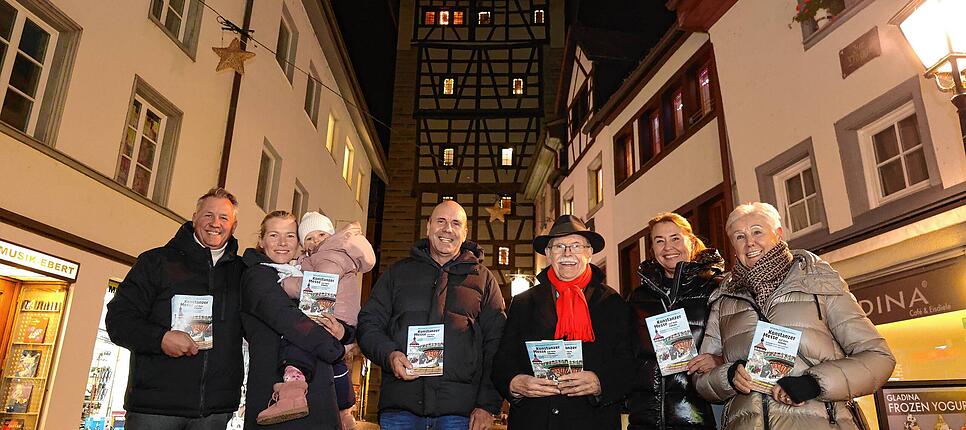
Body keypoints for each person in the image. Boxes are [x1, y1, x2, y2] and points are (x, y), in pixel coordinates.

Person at [694, 202, 896, 429]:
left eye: (757, 232)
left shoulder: (818, 283)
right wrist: (729, 376)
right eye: (739, 237)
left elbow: (879, 358)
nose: (750, 242)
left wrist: (815, 383)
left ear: (778, 234)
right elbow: (702, 380)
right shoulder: (724, 299)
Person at [357, 200, 506, 430]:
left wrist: (487, 405)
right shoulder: (397, 273)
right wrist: (389, 355)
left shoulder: (484, 280)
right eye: (441, 221)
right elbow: (368, 324)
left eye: (456, 223)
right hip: (400, 407)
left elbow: (496, 345)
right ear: (428, 227)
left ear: (464, 233)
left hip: (460, 413)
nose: (448, 229)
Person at [106, 188, 245, 429]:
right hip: (155, 409)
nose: (215, 224)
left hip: (213, 413)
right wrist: (160, 339)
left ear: (234, 225)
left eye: (224, 218)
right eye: (208, 215)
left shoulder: (243, 273)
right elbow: (119, 321)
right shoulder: (155, 262)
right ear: (194, 218)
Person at [491, 215, 636, 429]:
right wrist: (514, 383)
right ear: (549, 254)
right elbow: (502, 360)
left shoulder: (612, 302)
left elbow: (629, 362)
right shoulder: (523, 303)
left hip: (592, 421)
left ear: (589, 252)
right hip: (534, 420)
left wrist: (600, 382)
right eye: (559, 246)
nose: (567, 253)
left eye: (576, 245)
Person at [258, 211, 375, 428]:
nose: (315, 241)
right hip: (340, 322)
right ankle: (345, 409)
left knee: (295, 344)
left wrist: (287, 284)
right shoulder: (319, 256)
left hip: (333, 317)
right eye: (309, 238)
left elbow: (320, 284)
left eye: (321, 234)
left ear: (331, 235)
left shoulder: (331, 254)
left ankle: (292, 388)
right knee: (335, 365)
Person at [241, 211, 351, 429]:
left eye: (290, 236)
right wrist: (335, 349)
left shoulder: (302, 273)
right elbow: (287, 318)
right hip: (275, 393)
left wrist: (343, 331)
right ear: (261, 241)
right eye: (274, 235)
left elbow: (330, 313)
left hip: (315, 391)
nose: (282, 243)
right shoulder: (258, 275)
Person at [626, 213, 724, 430]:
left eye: (675, 238)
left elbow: (739, 343)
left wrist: (719, 359)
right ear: (652, 249)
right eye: (659, 241)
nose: (668, 247)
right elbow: (627, 354)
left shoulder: (716, 288)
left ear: (690, 240)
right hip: (646, 420)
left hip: (699, 419)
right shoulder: (639, 297)